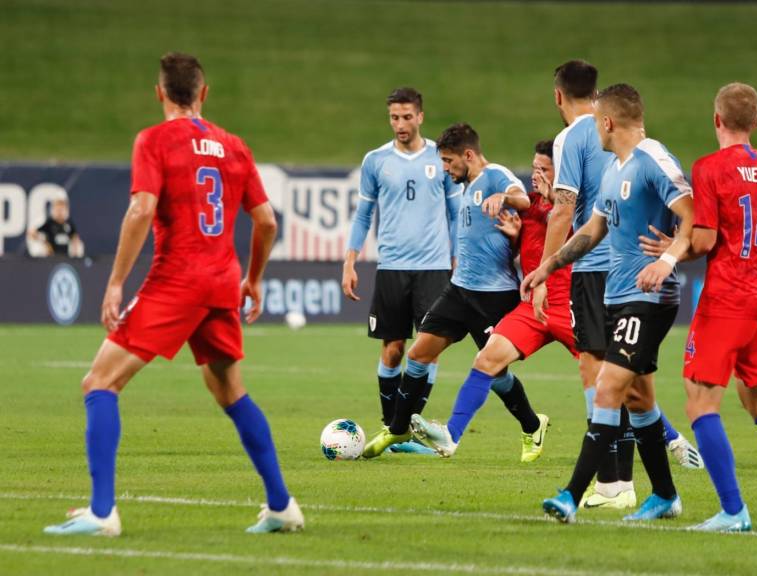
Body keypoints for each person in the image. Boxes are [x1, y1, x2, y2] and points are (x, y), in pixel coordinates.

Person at [44, 52, 302, 536]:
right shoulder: (234, 146)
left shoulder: (154, 140)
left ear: (159, 93)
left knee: (99, 383)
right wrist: (254, 278)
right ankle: (282, 506)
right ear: (204, 93)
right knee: (230, 390)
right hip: (222, 281)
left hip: (178, 279)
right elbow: (266, 220)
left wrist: (115, 282)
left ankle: (102, 513)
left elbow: (141, 210)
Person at [642, 83, 757, 531]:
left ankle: (734, 510)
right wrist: (745, 240)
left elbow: (703, 240)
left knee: (700, 402)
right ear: (755, 123)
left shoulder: (709, 168)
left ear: (716, 120)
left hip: (727, 300)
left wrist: (672, 252)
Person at [525, 84, 694, 524]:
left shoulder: (653, 158)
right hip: (617, 295)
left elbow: (693, 215)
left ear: (607, 122)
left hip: (648, 296)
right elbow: (592, 230)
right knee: (638, 400)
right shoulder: (614, 169)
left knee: (607, 387)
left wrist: (668, 259)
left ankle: (571, 495)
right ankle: (665, 495)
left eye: (596, 120)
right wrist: (547, 267)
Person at [362, 123, 542, 458]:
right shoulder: (465, 185)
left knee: (496, 373)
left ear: (468, 155)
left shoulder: (495, 175)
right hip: (459, 291)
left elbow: (523, 199)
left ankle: (532, 425)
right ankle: (396, 429)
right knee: (418, 355)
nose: (445, 168)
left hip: (494, 295)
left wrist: (504, 197)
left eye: (448, 160)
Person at [410, 139, 567, 462]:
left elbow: (584, 237)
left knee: (613, 377)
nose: (536, 174)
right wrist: (515, 237)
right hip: (532, 306)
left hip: (570, 305)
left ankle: (667, 437)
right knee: (486, 361)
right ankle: (451, 436)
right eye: (534, 167)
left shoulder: (576, 206)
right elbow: (523, 252)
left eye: (544, 169)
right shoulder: (530, 207)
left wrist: (555, 201)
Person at [342, 88, 461, 454]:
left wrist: (457, 259)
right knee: (393, 349)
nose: (400, 124)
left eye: (407, 117)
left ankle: (405, 426)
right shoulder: (376, 160)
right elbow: (363, 214)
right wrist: (350, 260)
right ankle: (390, 426)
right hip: (392, 267)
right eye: (394, 117)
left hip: (434, 268)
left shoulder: (439, 158)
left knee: (429, 350)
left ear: (420, 117)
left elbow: (455, 214)